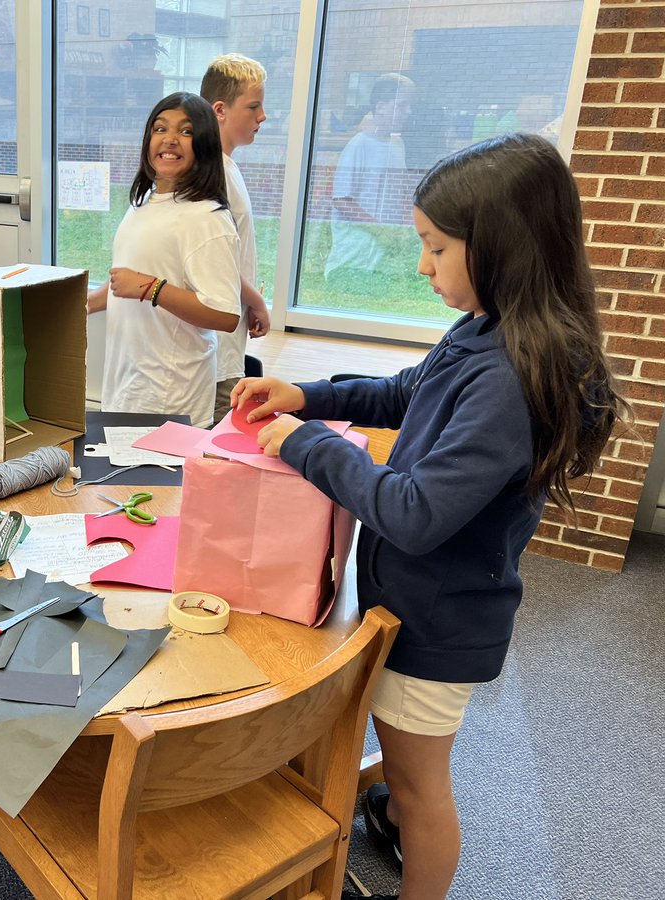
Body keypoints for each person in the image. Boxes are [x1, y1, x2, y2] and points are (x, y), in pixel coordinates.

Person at [231, 133, 627, 900]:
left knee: (421, 790)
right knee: (390, 762)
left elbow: (413, 513)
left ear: (504, 248)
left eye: (437, 248)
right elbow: (406, 391)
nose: (422, 267)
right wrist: (310, 397)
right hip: (406, 600)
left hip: (440, 624)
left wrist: (305, 442)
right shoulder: (483, 329)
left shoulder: (510, 380)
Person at [87, 91, 240, 429]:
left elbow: (226, 315)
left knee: (152, 484)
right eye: (160, 128)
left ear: (204, 145)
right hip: (127, 386)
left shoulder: (206, 218)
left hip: (170, 399)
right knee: (120, 483)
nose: (170, 140)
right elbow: (122, 286)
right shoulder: (145, 201)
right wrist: (79, 304)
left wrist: (150, 288)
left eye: (186, 132)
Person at [200, 53, 271, 424]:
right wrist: (256, 301)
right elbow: (219, 259)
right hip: (216, 347)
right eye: (254, 106)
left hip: (227, 340)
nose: (263, 116)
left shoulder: (227, 167)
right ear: (220, 110)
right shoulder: (212, 174)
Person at [325, 73, 415, 292]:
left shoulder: (398, 144)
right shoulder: (358, 145)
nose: (408, 112)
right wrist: (379, 229)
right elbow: (342, 199)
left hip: (384, 261)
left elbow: (399, 191)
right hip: (354, 260)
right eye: (402, 105)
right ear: (381, 106)